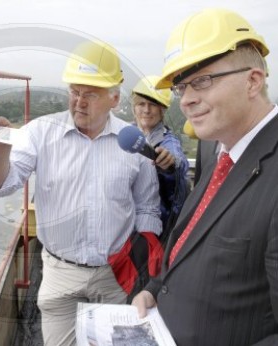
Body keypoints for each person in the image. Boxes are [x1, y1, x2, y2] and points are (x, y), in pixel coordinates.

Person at [0, 40, 162, 345]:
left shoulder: (133, 142)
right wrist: (0, 146)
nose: (79, 102)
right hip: (60, 273)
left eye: (90, 94)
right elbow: (2, 184)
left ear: (114, 98)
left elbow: (148, 208)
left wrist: (147, 269)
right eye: (74, 91)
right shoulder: (41, 132)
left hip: (116, 272)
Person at [132, 8, 278, 345]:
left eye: (202, 81)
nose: (187, 100)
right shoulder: (216, 148)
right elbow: (197, 233)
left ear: (253, 81)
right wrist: (156, 290)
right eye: (183, 87)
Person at [131, 75, 190, 236]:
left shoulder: (167, 141)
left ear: (162, 109)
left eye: (152, 105)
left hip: (158, 227)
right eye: (141, 104)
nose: (146, 110)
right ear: (134, 107)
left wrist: (170, 165)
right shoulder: (127, 134)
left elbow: (178, 161)